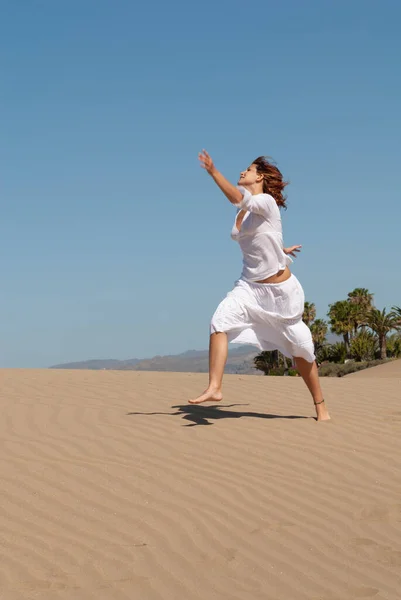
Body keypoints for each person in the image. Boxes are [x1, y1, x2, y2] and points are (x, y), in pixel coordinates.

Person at [189, 150, 330, 422]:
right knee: (219, 321)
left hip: (281, 295)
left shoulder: (265, 202)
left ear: (260, 177)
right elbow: (260, 237)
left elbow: (239, 198)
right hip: (249, 288)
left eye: (248, 169)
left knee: (301, 350)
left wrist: (213, 171)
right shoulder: (243, 213)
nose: (242, 172)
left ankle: (320, 405)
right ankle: (215, 387)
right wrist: (280, 248)